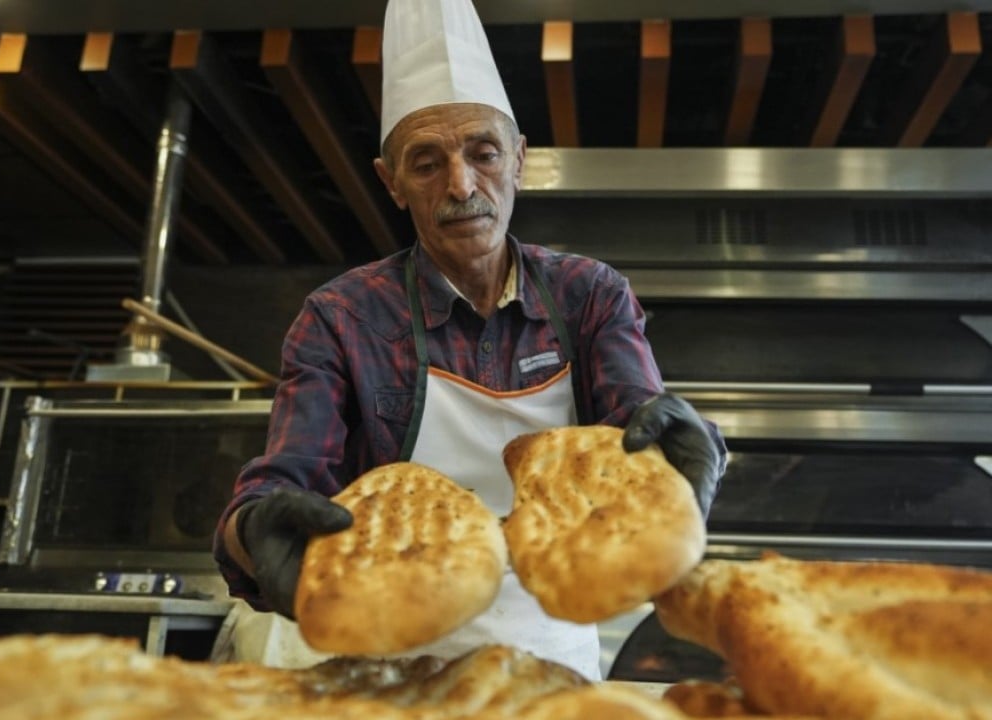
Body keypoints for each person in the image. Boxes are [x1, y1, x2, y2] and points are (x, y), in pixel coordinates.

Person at [213, 0, 727, 681]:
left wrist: (682, 447)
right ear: (389, 181)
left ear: (518, 159)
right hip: (379, 652)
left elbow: (634, 438)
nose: (461, 185)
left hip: (543, 645)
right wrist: (250, 534)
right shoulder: (339, 317)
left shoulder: (588, 295)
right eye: (425, 164)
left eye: (482, 153)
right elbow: (283, 483)